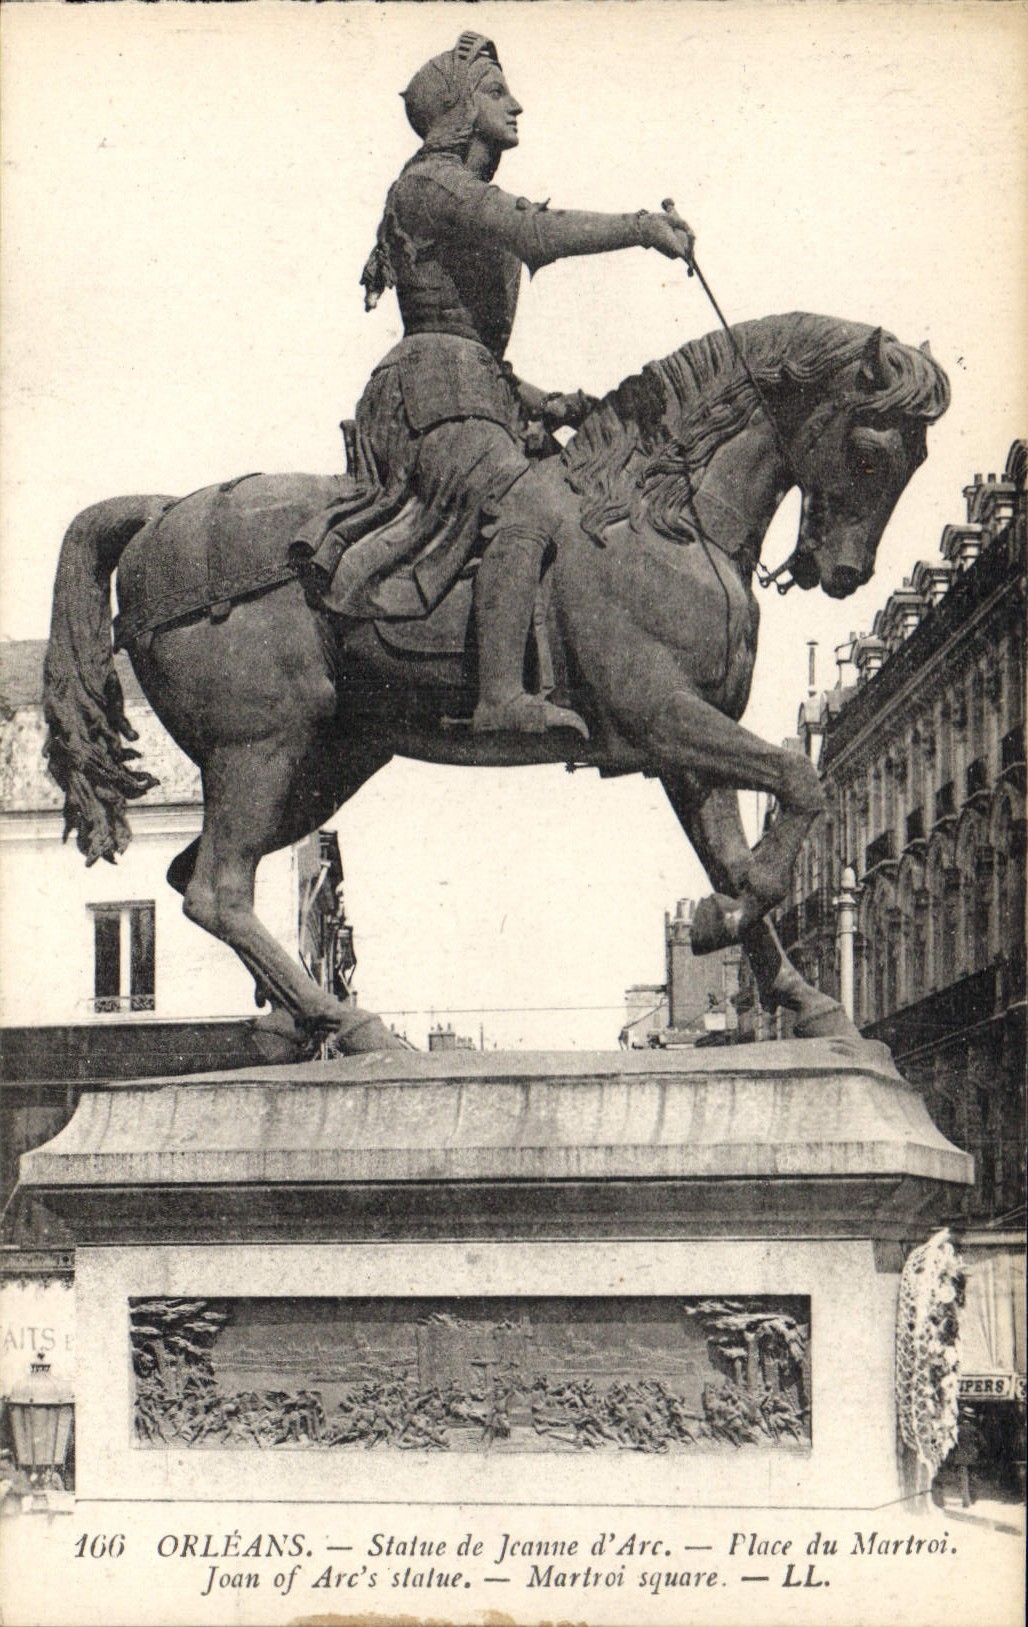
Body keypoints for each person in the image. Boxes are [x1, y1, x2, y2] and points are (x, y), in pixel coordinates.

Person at [295, 32, 694, 736]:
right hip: (430, 400)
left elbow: (477, 350)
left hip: (471, 392)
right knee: (531, 502)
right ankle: (500, 696)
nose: (516, 105)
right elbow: (532, 235)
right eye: (496, 92)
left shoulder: (457, 189)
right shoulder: (430, 185)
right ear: (458, 109)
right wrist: (640, 228)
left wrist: (556, 404)